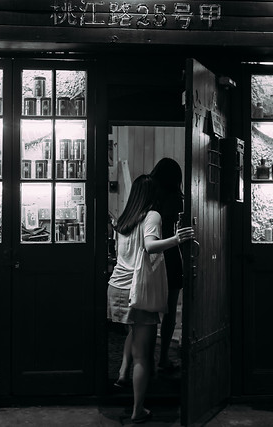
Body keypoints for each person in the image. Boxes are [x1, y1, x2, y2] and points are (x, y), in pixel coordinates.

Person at [107, 174, 194, 424]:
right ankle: (138, 410)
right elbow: (151, 246)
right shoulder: (152, 216)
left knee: (133, 335)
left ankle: (123, 373)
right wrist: (178, 239)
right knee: (144, 356)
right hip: (138, 291)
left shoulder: (124, 220)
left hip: (117, 289)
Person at [150, 157, 185, 372]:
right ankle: (163, 357)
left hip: (151, 256)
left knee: (149, 309)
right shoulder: (177, 200)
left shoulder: (149, 198)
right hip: (171, 255)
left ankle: (145, 359)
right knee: (170, 309)